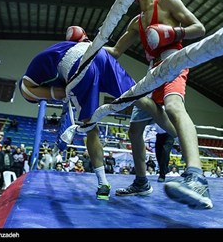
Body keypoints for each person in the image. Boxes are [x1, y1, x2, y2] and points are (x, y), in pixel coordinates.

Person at [19, 26, 175, 200]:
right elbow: (115, 51)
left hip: (75, 64)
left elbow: (25, 88)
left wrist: (58, 94)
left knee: (90, 127)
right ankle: (180, 135)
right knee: (139, 98)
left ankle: (102, 183)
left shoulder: (52, 54)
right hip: (100, 54)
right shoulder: (88, 43)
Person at [104, 0, 213, 209]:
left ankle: (197, 176)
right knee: (134, 130)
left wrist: (174, 32)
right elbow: (115, 51)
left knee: (173, 107)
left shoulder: (167, 2)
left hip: (173, 60)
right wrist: (88, 47)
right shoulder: (136, 23)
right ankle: (142, 182)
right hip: (152, 71)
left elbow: (199, 28)